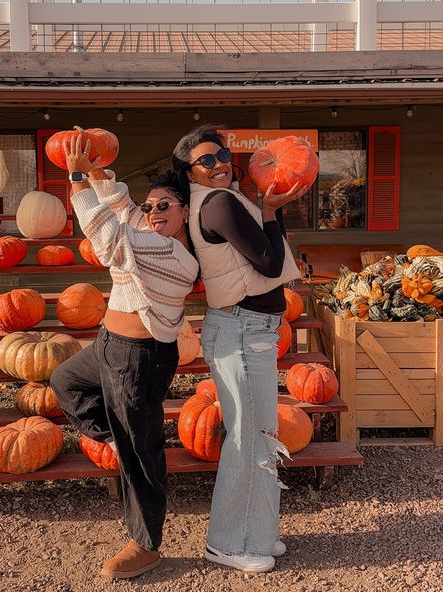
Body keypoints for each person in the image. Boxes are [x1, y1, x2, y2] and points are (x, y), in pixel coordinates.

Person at [50, 134, 199, 579]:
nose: (153, 213)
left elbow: (109, 238)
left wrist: (77, 180)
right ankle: (112, 438)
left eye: (165, 207)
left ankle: (146, 544)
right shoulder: (149, 230)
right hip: (107, 346)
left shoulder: (176, 256)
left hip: (140, 359)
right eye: (151, 206)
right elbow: (124, 209)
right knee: (65, 382)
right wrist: (100, 172)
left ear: (185, 212)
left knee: (143, 451)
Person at [172, 125, 309, 574]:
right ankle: (225, 542)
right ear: (189, 172)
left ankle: (260, 533)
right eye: (206, 160)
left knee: (263, 437)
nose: (219, 163)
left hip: (252, 329)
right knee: (247, 440)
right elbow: (269, 262)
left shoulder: (228, 199)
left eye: (222, 155)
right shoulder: (219, 203)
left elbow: (267, 249)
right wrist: (271, 211)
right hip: (240, 331)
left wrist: (270, 209)